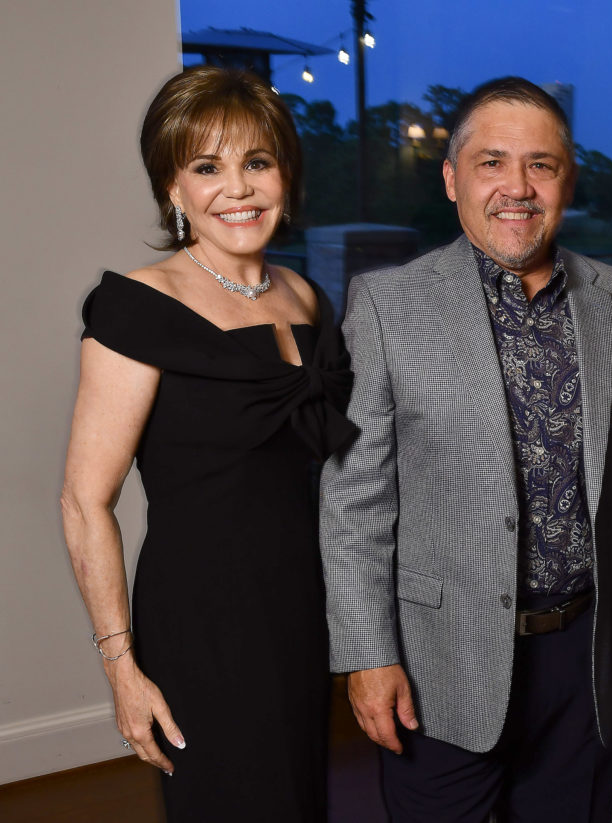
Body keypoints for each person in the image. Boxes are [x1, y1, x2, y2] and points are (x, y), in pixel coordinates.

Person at [319, 76, 612, 823]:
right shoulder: (386, 305)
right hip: (442, 659)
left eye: (541, 164)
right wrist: (368, 655)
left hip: (582, 660)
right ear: (451, 178)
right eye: (492, 162)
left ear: (567, 177)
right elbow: (354, 500)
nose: (518, 187)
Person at [60, 66, 355, 822]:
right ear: (173, 187)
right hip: (201, 621)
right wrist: (122, 667)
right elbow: (84, 499)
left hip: (297, 608)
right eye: (207, 167)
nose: (239, 188)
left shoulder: (306, 297)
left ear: (285, 174)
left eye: (257, 162)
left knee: (298, 799)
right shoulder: (138, 305)